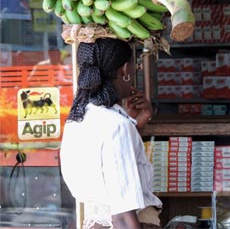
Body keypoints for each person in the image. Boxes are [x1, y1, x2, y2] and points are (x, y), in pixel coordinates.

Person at [60, 38, 162, 229]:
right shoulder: (117, 126)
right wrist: (128, 125)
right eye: (134, 67)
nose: (134, 73)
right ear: (124, 70)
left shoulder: (76, 121)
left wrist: (135, 125)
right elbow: (123, 217)